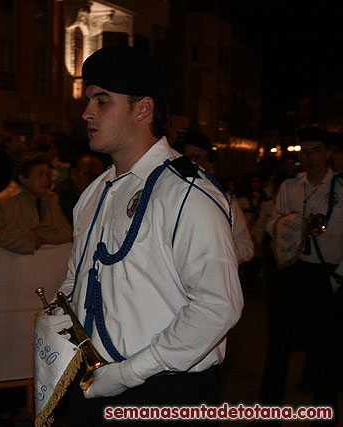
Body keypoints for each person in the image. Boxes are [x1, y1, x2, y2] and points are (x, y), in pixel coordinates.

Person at [53, 46, 243, 426]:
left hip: (165, 394)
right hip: (95, 383)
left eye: (102, 101)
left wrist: (127, 374)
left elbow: (217, 306)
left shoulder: (187, 194)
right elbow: (78, 280)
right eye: (88, 100)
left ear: (143, 109)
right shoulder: (96, 191)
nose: (86, 113)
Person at [258, 126, 342, 425]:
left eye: (316, 150)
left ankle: (325, 417)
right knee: (277, 348)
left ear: (328, 153)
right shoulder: (290, 186)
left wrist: (337, 279)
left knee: (325, 353)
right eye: (304, 151)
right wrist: (292, 226)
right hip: (291, 272)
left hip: (325, 275)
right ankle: (268, 416)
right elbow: (272, 224)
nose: (309, 157)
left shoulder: (341, 189)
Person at [172, 128, 254, 264]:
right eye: (195, 158)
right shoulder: (162, 195)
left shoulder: (223, 199)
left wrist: (212, 256)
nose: (202, 165)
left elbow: (245, 247)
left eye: (206, 159)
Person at [0, 152, 72, 254]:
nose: (46, 180)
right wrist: (26, 240)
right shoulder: (5, 201)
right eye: (40, 175)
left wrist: (40, 237)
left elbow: (67, 234)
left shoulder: (51, 199)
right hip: (12, 264)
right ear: (23, 178)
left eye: (48, 175)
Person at [53, 154, 105, 224]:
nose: (93, 179)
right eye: (87, 174)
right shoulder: (59, 197)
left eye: (97, 176)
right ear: (73, 173)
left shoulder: (103, 193)